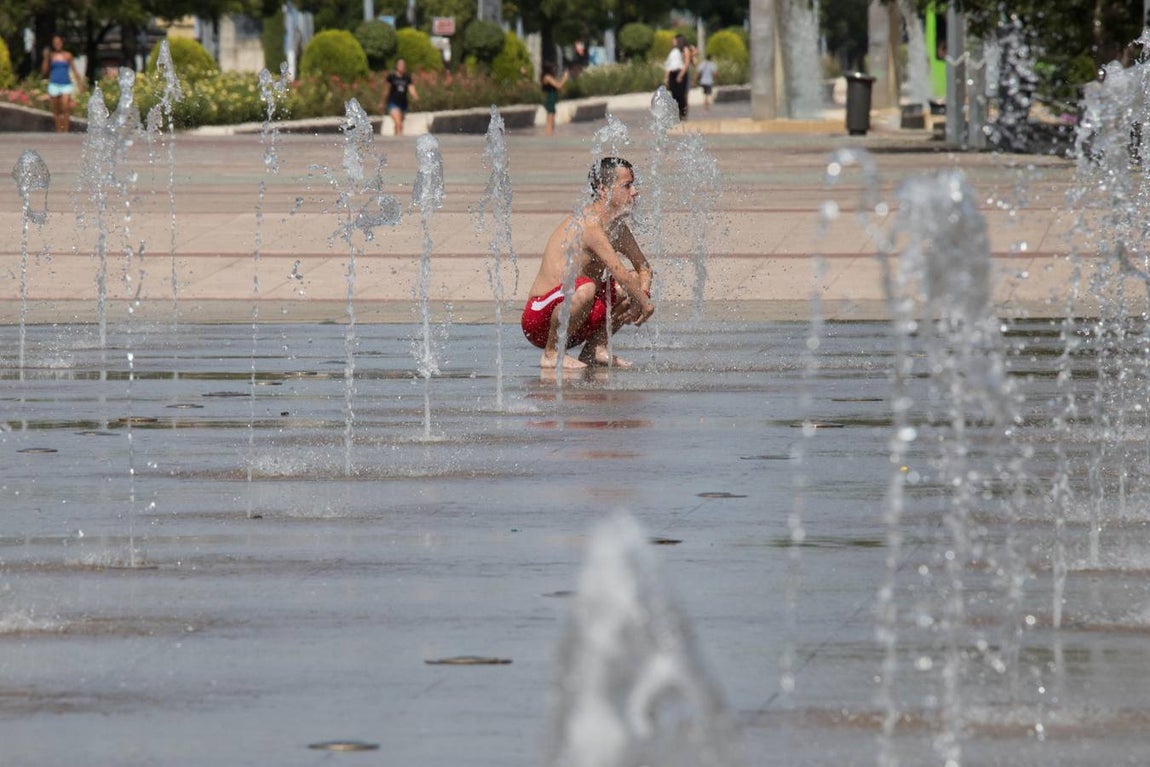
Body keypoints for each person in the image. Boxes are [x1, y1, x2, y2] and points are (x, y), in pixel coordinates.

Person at [521, 157, 655, 370]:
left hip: (577, 320)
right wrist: (646, 304)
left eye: (634, 184)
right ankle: (551, 353)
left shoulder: (617, 229)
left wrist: (643, 294)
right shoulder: (590, 225)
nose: (635, 192)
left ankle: (595, 348)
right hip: (541, 320)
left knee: (633, 283)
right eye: (627, 186)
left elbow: (644, 268)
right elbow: (619, 271)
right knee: (588, 287)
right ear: (603, 190)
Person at [41, 35, 83, 133]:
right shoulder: (51, 56)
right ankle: (59, 130)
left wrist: (80, 84)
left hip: (66, 84)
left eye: (58, 42)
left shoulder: (68, 55)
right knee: (56, 110)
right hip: (54, 84)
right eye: (55, 42)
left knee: (65, 107)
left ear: (62, 43)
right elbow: (44, 72)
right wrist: (46, 58)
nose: (57, 44)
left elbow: (74, 70)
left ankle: (66, 130)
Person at [384, 58, 418, 136]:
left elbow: (411, 88)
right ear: (396, 66)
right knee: (399, 124)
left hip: (403, 103)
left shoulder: (407, 77)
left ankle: (396, 139)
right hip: (393, 102)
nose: (401, 66)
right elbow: (386, 89)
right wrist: (382, 102)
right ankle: (398, 139)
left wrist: (415, 96)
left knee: (399, 125)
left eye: (403, 65)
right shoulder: (392, 77)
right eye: (400, 65)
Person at [664, 35, 690, 119]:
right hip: (672, 73)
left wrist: (680, 75)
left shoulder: (684, 50)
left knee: (681, 94)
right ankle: (677, 113)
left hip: (680, 73)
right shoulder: (672, 51)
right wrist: (666, 77)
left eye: (674, 40)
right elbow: (668, 65)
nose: (672, 42)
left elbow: (686, 63)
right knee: (674, 94)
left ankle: (683, 113)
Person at [540, 62, 568, 137]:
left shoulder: (549, 77)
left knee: (552, 121)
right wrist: (565, 78)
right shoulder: (547, 77)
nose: (554, 70)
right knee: (549, 121)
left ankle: (550, 135)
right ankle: (548, 137)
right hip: (549, 100)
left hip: (552, 100)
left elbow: (558, 86)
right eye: (553, 68)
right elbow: (558, 86)